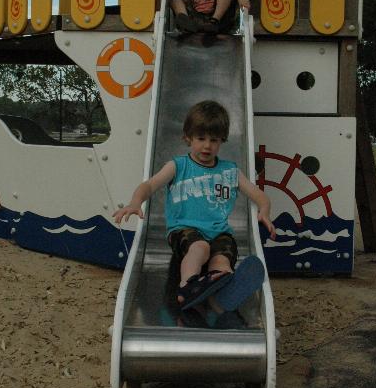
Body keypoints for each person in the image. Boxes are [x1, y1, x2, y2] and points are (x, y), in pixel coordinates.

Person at [113, 101, 275, 306]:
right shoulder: (178, 166)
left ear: (222, 140)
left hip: (220, 232)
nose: (207, 145)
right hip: (184, 230)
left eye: (214, 140)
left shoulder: (230, 171)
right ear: (188, 138)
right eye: (201, 138)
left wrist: (265, 210)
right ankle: (187, 286)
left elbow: (259, 195)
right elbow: (149, 185)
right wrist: (135, 202)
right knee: (200, 247)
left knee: (222, 258)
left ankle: (221, 286)